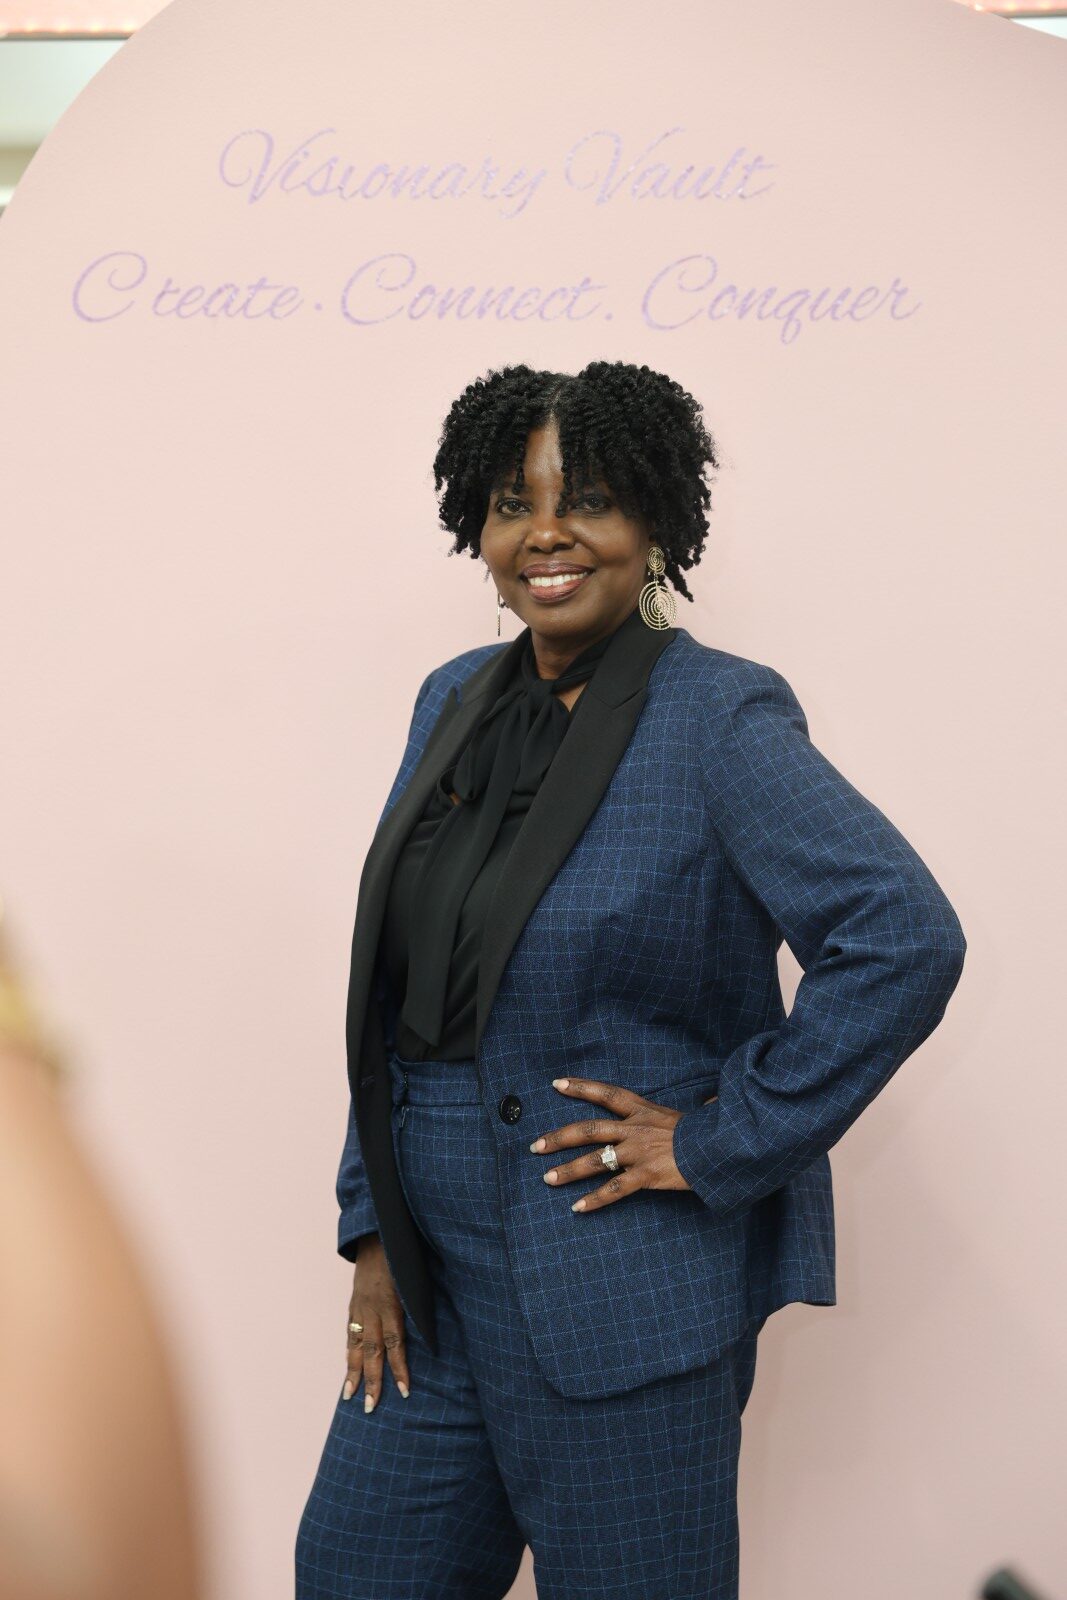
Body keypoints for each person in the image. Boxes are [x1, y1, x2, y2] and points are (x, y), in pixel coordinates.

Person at [295, 360, 966, 1600]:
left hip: (612, 1278)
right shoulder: (451, 700)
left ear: (652, 522)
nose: (544, 533)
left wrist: (715, 1138)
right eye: (513, 502)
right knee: (353, 1570)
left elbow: (901, 935)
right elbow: (397, 991)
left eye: (587, 499)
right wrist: (372, 1224)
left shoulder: (715, 717)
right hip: (427, 1282)